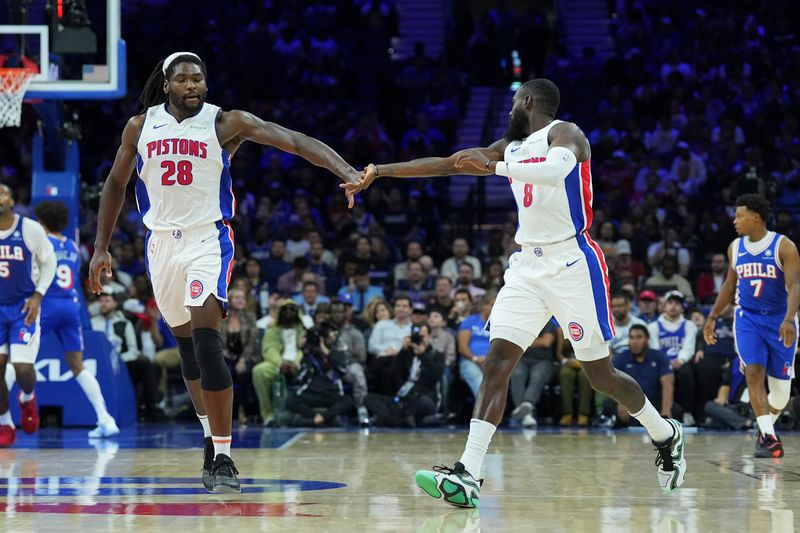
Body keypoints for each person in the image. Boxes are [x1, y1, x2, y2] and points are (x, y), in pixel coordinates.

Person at [344, 78, 685, 507]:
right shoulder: (509, 145)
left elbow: (556, 170)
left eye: (511, 104)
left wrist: (494, 168)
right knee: (497, 361)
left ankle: (665, 433)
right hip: (526, 265)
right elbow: (451, 163)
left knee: (600, 375)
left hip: (572, 262)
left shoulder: (566, 133)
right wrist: (381, 172)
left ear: (526, 101)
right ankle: (469, 473)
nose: (508, 112)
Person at [88, 52, 361, 492]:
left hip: (206, 240)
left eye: (198, 79)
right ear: (166, 86)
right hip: (160, 244)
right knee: (189, 355)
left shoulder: (224, 123)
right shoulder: (140, 126)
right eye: (183, 80)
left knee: (207, 341)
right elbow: (116, 184)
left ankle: (225, 456)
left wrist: (343, 168)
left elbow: (290, 139)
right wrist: (101, 247)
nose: (192, 85)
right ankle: (210, 440)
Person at [704, 194, 800, 458]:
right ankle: (769, 438)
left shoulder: (784, 246)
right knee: (754, 373)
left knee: (780, 395)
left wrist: (790, 319)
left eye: (739, 216)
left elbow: (795, 287)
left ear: (755, 217)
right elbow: (728, 285)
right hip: (748, 319)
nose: (734, 221)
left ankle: (764, 428)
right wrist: (712, 316)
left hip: (780, 319)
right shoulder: (735, 247)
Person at [33, 201, 119, 438]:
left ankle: (4, 418)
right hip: (71, 307)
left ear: (42, 223)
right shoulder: (71, 245)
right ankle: (105, 418)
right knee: (77, 367)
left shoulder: (42, 243)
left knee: (19, 359)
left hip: (47, 305)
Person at [0, 184, 56, 447]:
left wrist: (38, 295)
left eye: (2, 192)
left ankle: (27, 396)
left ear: (11, 200)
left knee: (22, 368)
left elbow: (50, 262)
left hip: (23, 307)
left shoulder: (29, 229)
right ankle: (5, 422)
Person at [91, 292, 164, 422]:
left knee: (150, 366)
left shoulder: (124, 323)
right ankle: (152, 405)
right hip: (98, 363)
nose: (103, 304)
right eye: (101, 301)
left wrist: (119, 360)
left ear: (114, 303)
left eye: (107, 301)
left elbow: (133, 350)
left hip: (121, 362)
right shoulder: (92, 323)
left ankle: (151, 404)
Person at [364, 324, 445, 427]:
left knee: (425, 402)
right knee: (368, 398)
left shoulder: (436, 355)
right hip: (402, 399)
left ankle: (390, 418)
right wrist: (403, 350)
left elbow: (435, 376)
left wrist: (423, 355)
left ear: (429, 337)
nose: (419, 339)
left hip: (421, 398)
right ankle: (401, 420)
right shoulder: (407, 353)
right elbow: (391, 372)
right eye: (416, 336)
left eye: (423, 336)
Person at [285, 321, 354, 427]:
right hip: (311, 393)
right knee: (290, 401)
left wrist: (326, 351)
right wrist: (303, 351)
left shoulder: (337, 352)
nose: (331, 337)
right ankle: (316, 418)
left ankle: (321, 418)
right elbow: (301, 377)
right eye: (328, 335)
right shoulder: (309, 354)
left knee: (348, 401)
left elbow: (342, 370)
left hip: (331, 393)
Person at [611, 325, 682, 427]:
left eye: (639, 337)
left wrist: (666, 409)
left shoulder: (660, 357)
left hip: (654, 404)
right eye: (632, 338)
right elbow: (614, 385)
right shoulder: (620, 359)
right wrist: (621, 404)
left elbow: (668, 384)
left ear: (647, 339)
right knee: (609, 406)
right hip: (629, 404)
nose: (635, 341)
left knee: (676, 410)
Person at [647, 290, 698, 425]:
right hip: (661, 363)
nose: (673, 306)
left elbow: (689, 347)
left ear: (682, 308)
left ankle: (687, 412)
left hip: (681, 362)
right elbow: (654, 348)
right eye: (670, 303)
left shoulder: (689, 325)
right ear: (664, 306)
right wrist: (666, 363)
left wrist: (680, 360)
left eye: (677, 303)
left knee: (687, 374)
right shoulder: (653, 327)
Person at [509, 321, 557, 428]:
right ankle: (527, 415)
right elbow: (512, 341)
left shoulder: (547, 323)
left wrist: (523, 341)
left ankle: (528, 403)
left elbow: (546, 342)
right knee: (516, 374)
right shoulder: (520, 323)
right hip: (521, 359)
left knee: (537, 376)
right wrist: (536, 341)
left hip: (543, 360)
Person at [609, 292, 646, 356]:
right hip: (616, 361)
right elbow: (608, 352)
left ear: (628, 306)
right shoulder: (607, 327)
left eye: (620, 306)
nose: (616, 309)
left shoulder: (640, 324)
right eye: (613, 306)